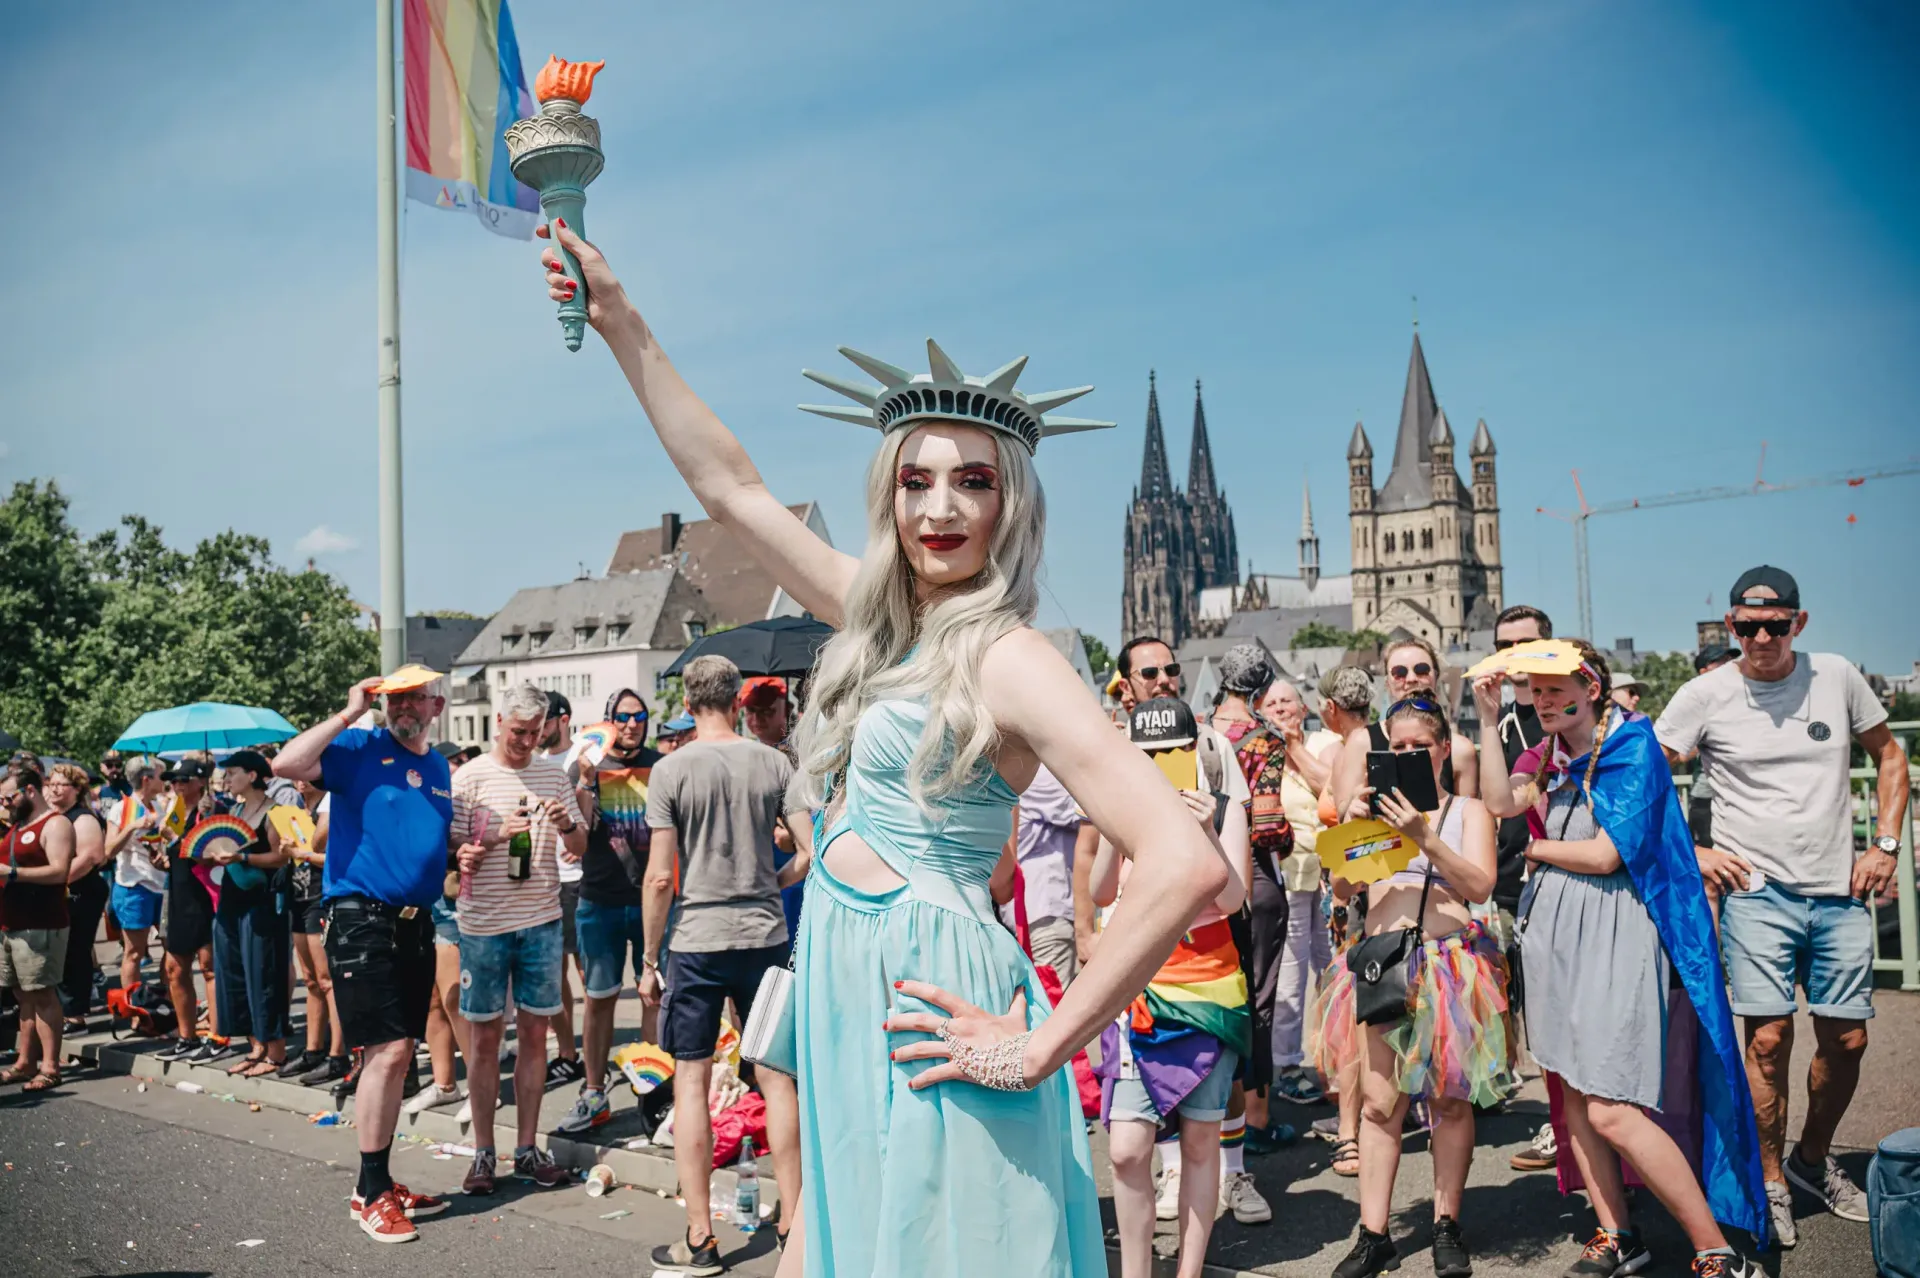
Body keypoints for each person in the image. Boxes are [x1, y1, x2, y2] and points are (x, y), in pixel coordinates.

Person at [536, 218, 1233, 1278]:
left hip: (935, 997)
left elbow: (1185, 863)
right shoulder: (878, 620)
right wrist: (622, 320)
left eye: (973, 481)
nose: (940, 506)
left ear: (1010, 505)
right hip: (847, 982)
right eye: (916, 481)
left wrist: (1041, 1046)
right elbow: (733, 491)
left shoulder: (1013, 657)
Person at [1474, 641, 1766, 1278]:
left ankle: (1715, 1248)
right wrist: (1487, 718)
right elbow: (1498, 802)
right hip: (1555, 932)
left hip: (1613, 929)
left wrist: (1533, 852)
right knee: (1576, 1095)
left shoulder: (1632, 745)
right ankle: (1617, 1234)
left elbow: (1608, 856)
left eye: (1556, 689)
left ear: (1592, 689)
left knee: (1610, 1105)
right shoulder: (1547, 753)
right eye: (1537, 691)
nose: (1544, 701)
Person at [1655, 565, 1910, 1247]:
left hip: (1839, 891)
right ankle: (1770, 1182)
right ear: (1730, 625)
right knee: (1768, 1042)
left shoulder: (1836, 676)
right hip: (1756, 893)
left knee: (1848, 1040)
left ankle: (1810, 1162)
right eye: (1747, 626)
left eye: (1774, 625)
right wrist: (1695, 853)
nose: (1761, 638)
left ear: (1799, 622)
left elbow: (1890, 756)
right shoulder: (1705, 693)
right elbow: (1647, 778)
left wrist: (1885, 845)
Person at [1314, 696, 1507, 1278]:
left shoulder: (1468, 811)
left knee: (1448, 1101)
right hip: (1383, 964)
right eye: (1395, 747)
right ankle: (1375, 1235)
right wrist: (1353, 826)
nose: (1405, 755)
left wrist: (1425, 836)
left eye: (1418, 746)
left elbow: (1479, 885)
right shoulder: (1374, 814)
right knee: (1379, 1105)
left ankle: (1447, 1224)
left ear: (1444, 750)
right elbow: (1343, 889)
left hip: (1449, 968)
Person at [272, 666, 455, 1243]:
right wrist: (351, 709)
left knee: (398, 1058)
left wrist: (465, 854)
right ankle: (374, 1193)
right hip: (360, 918)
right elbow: (285, 765)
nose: (404, 708)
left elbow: (426, 840)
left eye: (415, 699)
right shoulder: (359, 746)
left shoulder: (438, 766)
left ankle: (372, 1183)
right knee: (388, 1050)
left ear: (436, 707)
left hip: (415, 923)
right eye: (394, 699)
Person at [641, 654, 808, 1268]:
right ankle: (792, 1224)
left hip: (698, 938)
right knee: (777, 1077)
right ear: (738, 701)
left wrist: (650, 958)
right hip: (764, 933)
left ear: (688, 704)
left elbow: (661, 878)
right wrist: (770, 882)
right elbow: (809, 852)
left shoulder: (671, 769)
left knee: (690, 1078)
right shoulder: (774, 763)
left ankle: (699, 1237)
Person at [1091, 696, 1253, 1278]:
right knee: (1126, 1148)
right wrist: (1113, 825)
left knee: (1201, 1143)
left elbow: (1232, 898)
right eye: (1148, 754)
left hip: (1208, 993)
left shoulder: (1225, 809)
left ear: (1195, 750)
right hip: (1138, 991)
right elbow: (1100, 892)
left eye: (1173, 752)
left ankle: (1188, 1271)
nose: (1160, 764)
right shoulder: (1124, 810)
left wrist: (1207, 829)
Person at [449, 681, 586, 1195]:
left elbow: (580, 845)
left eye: (535, 732)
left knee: (534, 1036)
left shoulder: (553, 775)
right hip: (483, 926)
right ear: (500, 723)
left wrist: (567, 824)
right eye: (519, 732)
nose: (527, 741)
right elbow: (452, 845)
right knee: (485, 1040)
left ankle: (527, 1148)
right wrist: (490, 838)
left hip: (541, 922)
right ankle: (484, 1152)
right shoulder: (470, 777)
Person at [1206, 644, 1299, 1178]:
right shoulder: (1264, 738)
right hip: (1254, 875)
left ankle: (1211, 1109)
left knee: (1214, 986)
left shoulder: (1199, 731)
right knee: (1258, 994)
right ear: (1263, 689)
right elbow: (1266, 824)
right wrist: (1288, 837)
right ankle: (1256, 1119)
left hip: (1202, 871)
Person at [557, 687, 661, 1135]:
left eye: (639, 716)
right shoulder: (587, 767)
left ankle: (654, 1091)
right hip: (599, 899)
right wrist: (584, 779)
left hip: (652, 901)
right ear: (609, 720)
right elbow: (578, 837)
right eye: (623, 716)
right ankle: (594, 1091)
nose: (632, 724)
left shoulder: (661, 765)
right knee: (599, 999)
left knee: (653, 997)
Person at [1476, 603, 1557, 1174]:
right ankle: (1553, 1115)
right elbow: (1490, 803)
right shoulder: (1500, 723)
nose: (1513, 657)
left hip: (1561, 875)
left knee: (1558, 1007)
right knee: (1523, 1004)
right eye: (1504, 647)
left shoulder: (1568, 712)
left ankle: (1566, 1122)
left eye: (1524, 644)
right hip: (1509, 882)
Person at [1259, 675, 1339, 1109]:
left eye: (1287, 702)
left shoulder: (1324, 743)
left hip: (1329, 873)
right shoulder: (1259, 753)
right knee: (1290, 973)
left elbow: (1332, 789)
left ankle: (1336, 1058)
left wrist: (1294, 746)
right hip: (1286, 874)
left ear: (1303, 709)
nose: (1280, 710)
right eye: (1271, 704)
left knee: (1333, 969)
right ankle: (1287, 1064)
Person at [1311, 665, 1375, 1174]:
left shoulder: (1355, 747)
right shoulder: (1367, 741)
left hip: (1353, 890)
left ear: (1331, 707)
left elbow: (1351, 825)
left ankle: (1351, 1131)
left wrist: (1341, 891)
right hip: (1360, 883)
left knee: (1351, 1015)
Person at [206, 750, 293, 1078]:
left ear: (253, 775)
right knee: (233, 973)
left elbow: (281, 858)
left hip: (262, 901)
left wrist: (243, 859)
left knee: (263, 975)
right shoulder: (234, 810)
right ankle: (255, 1046)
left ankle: (276, 1053)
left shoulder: (275, 811)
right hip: (231, 899)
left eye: (232, 773)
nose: (226, 779)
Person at [1332, 636, 1479, 807]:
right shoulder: (1362, 742)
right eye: (1399, 673)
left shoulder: (1460, 750)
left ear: (1436, 676)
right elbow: (1344, 814)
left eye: (1422, 670)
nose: (1411, 679)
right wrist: (1356, 805)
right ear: (1387, 683)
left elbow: (1468, 814)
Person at [0, 761, 76, 1090]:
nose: (5, 804)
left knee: (42, 994)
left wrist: (12, 874)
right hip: (11, 924)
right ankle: (25, 1061)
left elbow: (60, 871)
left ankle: (50, 1067)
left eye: (8, 797)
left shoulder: (55, 824)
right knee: (23, 995)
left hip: (40, 925)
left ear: (30, 791)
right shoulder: (18, 825)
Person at [155, 759, 230, 1064]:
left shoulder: (212, 811)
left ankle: (218, 1037)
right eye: (173, 780)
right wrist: (164, 858)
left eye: (184, 779)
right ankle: (187, 1037)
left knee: (209, 967)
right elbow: (177, 855)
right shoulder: (175, 812)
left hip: (207, 897)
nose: (177, 785)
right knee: (175, 968)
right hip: (179, 896)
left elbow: (211, 855)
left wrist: (175, 841)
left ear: (201, 782)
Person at [537, 690, 586, 1089]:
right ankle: (567, 1053)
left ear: (564, 719)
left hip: (579, 877)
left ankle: (597, 1052)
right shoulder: (536, 763)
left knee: (589, 973)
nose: (538, 728)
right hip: (545, 879)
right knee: (554, 974)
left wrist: (582, 842)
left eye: (545, 720)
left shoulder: (583, 756)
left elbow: (595, 815)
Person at [283, 777, 347, 1081]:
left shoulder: (331, 808)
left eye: (307, 774)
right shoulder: (298, 811)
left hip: (321, 898)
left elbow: (335, 857)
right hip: (299, 897)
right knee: (310, 979)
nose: (300, 780)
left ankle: (338, 1054)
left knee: (327, 980)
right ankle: (313, 1048)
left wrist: (301, 853)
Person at [1003, 763, 1085, 985]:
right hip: (1046, 916)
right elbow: (1095, 807)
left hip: (1040, 914)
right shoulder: (1038, 773)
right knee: (1054, 1002)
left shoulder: (1026, 768)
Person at [47, 763, 109, 1033]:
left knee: (75, 950)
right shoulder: (55, 817)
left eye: (61, 784)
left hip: (82, 892)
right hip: (60, 891)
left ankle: (75, 1015)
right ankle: (62, 1010)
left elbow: (91, 856)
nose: (54, 789)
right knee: (60, 952)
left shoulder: (83, 818)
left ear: (76, 789)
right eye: (51, 784)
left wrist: (56, 880)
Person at [104, 757, 168, 1010]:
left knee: (173, 950)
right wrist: (132, 826)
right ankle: (134, 1012)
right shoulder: (122, 809)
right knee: (134, 953)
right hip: (134, 888)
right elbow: (109, 850)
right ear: (146, 779)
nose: (165, 781)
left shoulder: (159, 806)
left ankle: (167, 1004)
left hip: (161, 886)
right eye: (161, 776)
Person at [1681, 646, 1738, 852]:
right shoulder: (1694, 702)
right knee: (1707, 853)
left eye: (1730, 660)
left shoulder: (1740, 699)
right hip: (1706, 796)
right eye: (1721, 662)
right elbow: (1680, 754)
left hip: (1737, 797)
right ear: (1703, 671)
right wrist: (1707, 742)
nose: (1728, 665)